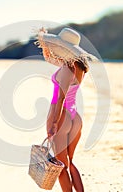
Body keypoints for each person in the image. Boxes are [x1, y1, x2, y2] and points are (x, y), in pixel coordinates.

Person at [35, 27, 98, 192]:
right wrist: (43, 40)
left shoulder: (66, 69)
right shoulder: (78, 67)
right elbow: (49, 58)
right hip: (75, 117)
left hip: (62, 117)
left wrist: (54, 123)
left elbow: (60, 100)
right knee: (69, 162)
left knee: (61, 167)